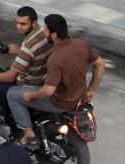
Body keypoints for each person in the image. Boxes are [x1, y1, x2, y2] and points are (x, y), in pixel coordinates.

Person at [6, 14, 105, 148]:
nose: (44, 32)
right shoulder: (81, 44)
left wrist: (30, 96)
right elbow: (100, 64)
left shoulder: (56, 58)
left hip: (59, 102)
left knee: (12, 94)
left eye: (46, 30)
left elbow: (48, 90)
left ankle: (29, 136)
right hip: (80, 99)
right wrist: (92, 89)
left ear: (53, 35)